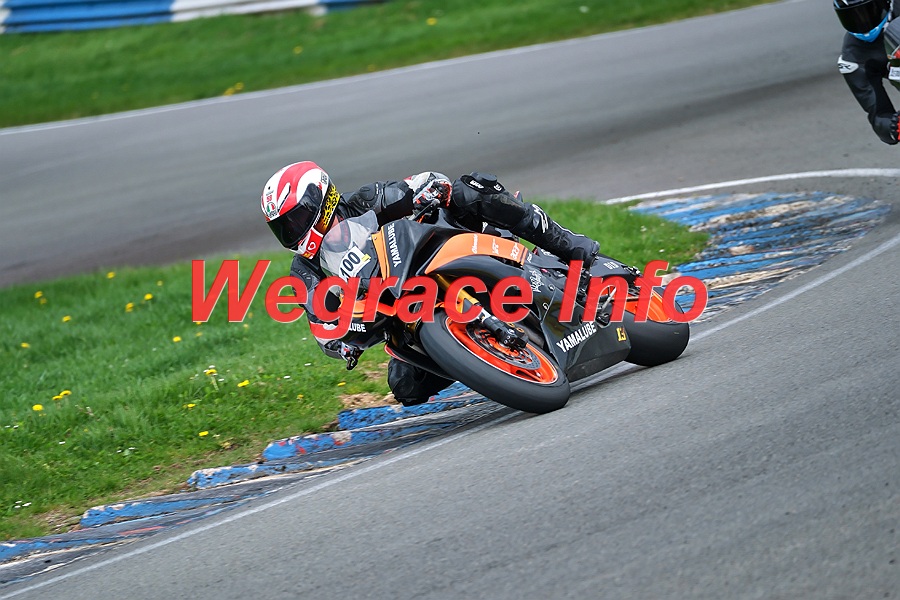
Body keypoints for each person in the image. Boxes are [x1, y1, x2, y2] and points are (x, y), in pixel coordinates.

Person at [260, 161, 599, 406]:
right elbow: (321, 326)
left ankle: (566, 245)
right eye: (283, 228)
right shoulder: (304, 271)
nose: (292, 231)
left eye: (296, 219)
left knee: (469, 189)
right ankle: (483, 359)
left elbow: (420, 183)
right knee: (404, 386)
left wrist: (429, 190)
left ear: (322, 200)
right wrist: (342, 343)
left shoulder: (364, 201)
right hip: (400, 312)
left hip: (440, 251)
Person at [834, 0, 900, 144]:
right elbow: (879, 116)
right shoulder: (852, 59)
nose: (862, 22)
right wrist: (893, 126)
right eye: (851, 16)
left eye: (869, 11)